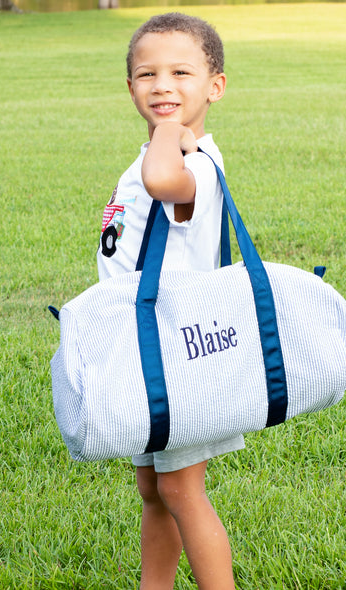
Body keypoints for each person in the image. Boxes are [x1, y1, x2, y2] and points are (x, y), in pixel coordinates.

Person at [96, 12, 242, 590]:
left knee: (182, 488)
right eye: (146, 74)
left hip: (180, 356)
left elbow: (165, 183)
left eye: (181, 72)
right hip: (141, 350)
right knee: (154, 489)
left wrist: (168, 133)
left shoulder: (195, 164)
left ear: (216, 86)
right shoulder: (154, 152)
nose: (161, 86)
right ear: (128, 86)